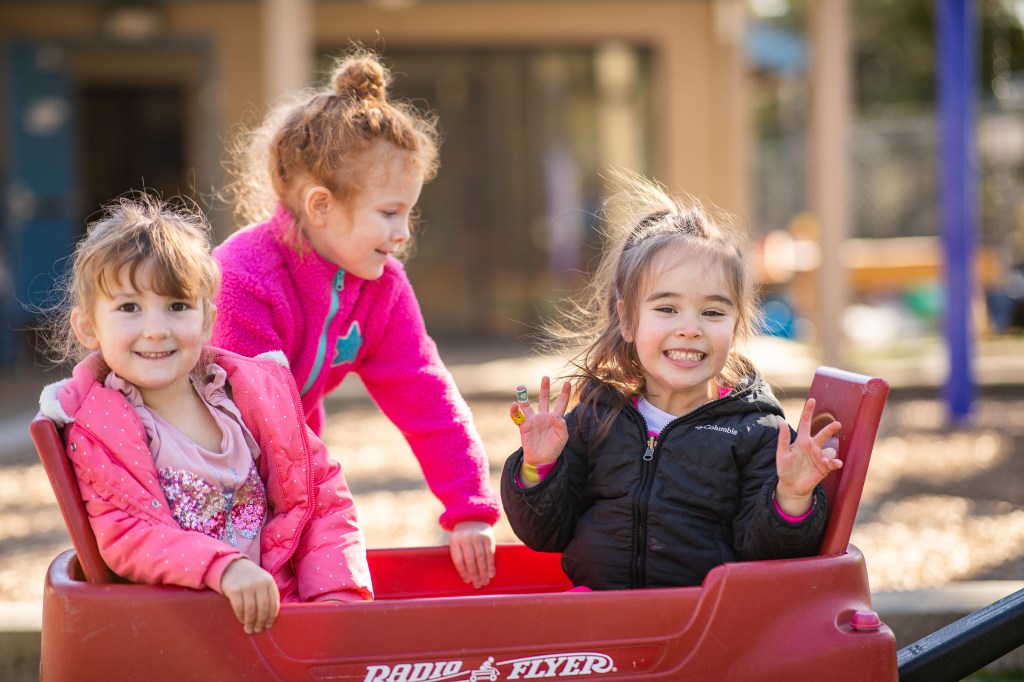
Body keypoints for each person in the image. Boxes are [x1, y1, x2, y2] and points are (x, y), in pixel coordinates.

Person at [211, 48, 500, 588]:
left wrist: (467, 505)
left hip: (294, 474)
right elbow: (251, 421)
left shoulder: (380, 285)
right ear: (321, 206)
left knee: (329, 577)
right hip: (209, 476)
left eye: (409, 212)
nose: (404, 232)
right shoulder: (243, 279)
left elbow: (424, 389)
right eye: (389, 213)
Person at [36, 196, 373, 634]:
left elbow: (321, 496)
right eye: (129, 308)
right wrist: (224, 568)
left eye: (177, 306)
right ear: (88, 327)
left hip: (284, 618)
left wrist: (335, 600)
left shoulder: (250, 399)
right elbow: (126, 534)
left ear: (207, 318)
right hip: (186, 635)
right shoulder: (101, 429)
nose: (156, 328)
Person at [501, 173, 842, 590]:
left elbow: (768, 555)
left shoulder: (756, 432)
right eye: (667, 309)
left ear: (735, 328)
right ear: (627, 319)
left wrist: (791, 495)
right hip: (597, 622)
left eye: (713, 313)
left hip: (699, 628)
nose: (689, 328)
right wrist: (538, 467)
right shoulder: (596, 416)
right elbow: (544, 534)